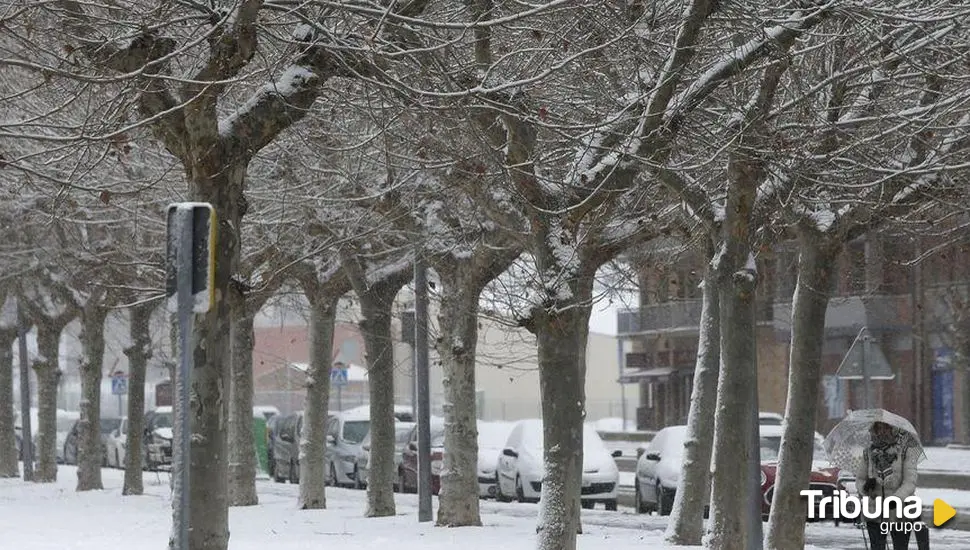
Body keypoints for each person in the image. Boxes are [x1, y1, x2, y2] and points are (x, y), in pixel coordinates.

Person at [852, 421, 921, 550]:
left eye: (885, 428)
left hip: (900, 512)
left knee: (900, 547)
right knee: (877, 547)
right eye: (878, 429)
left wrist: (896, 499)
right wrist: (865, 488)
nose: (882, 432)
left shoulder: (905, 451)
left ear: (893, 430)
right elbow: (860, 479)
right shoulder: (868, 453)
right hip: (874, 511)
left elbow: (910, 482)